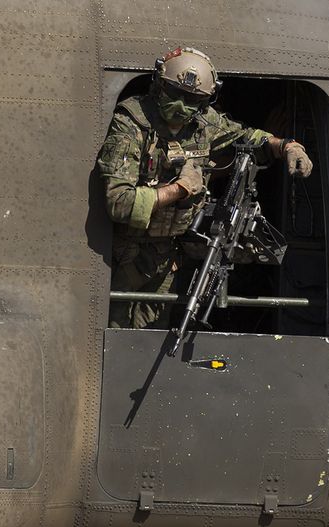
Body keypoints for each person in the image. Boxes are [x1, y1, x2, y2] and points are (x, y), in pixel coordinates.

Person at [98, 47, 314, 328]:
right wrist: (180, 189)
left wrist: (286, 146)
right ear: (158, 85)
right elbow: (119, 202)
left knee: (153, 332)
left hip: (169, 260)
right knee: (120, 336)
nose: (180, 106)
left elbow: (247, 137)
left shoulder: (203, 123)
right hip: (127, 259)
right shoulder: (131, 124)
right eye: (173, 94)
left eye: (191, 100)